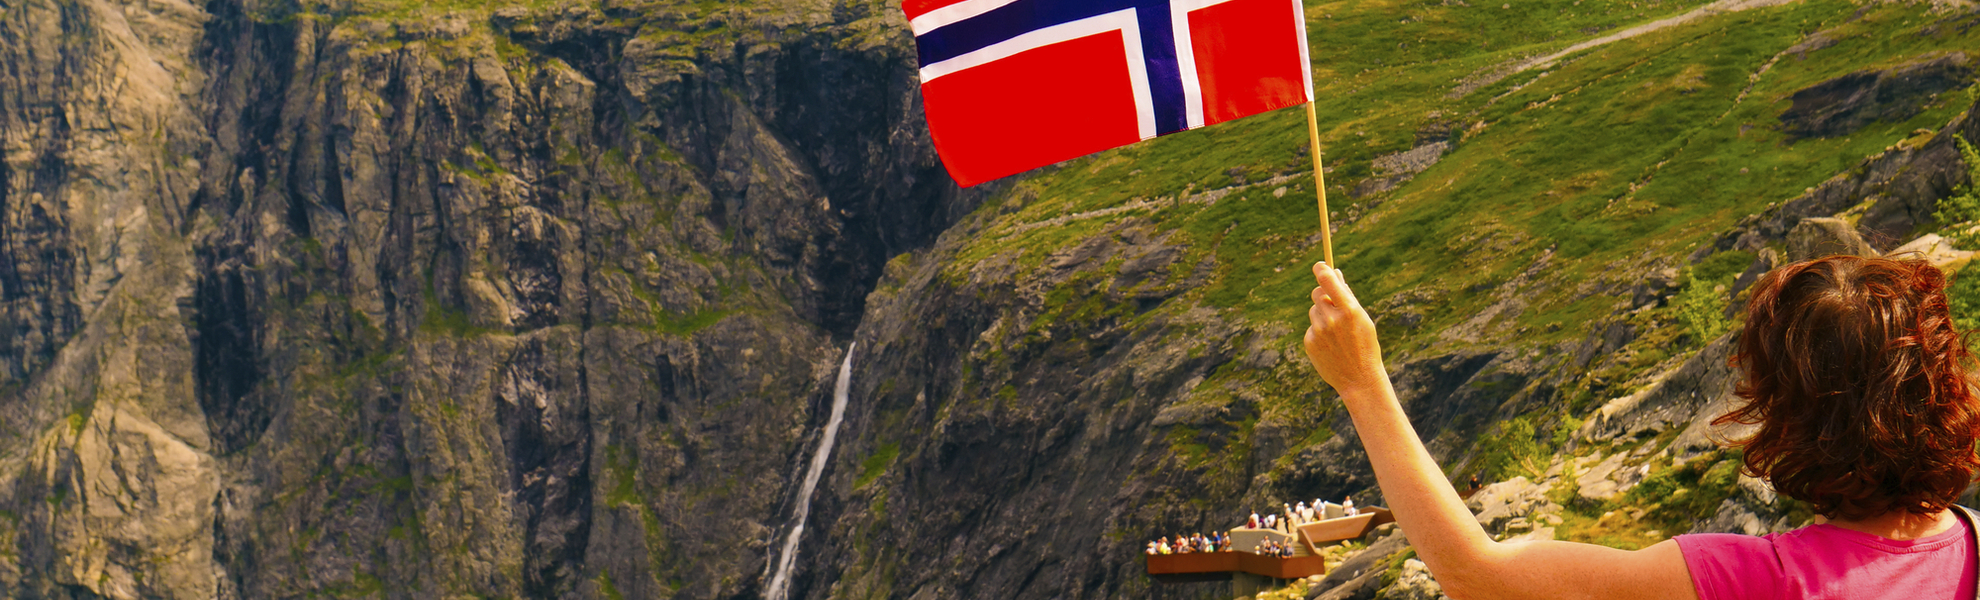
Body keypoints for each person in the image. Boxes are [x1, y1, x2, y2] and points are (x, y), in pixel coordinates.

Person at [1298, 256, 1980, 600]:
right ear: (1945, 384)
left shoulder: (1743, 579)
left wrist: (1361, 383)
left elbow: (1477, 575)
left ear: (1784, 412)